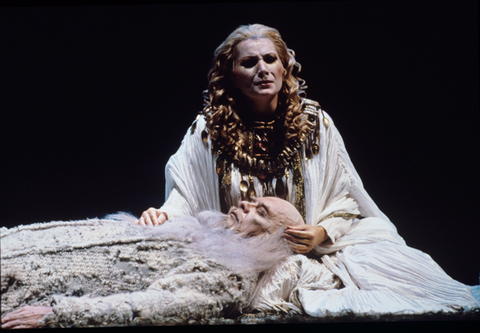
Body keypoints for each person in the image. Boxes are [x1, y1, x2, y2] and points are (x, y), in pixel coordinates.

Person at [136, 23, 480, 316]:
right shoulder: (207, 130)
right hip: (237, 251)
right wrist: (163, 215)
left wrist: (321, 232)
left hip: (311, 251)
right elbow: (186, 194)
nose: (263, 69)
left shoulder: (315, 123)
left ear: (285, 67)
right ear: (231, 75)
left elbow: (346, 196)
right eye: (249, 62)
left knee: (386, 260)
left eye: (271, 59)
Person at [1, 197, 304, 329]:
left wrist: (58, 314)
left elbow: (157, 305)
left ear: (273, 240)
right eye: (252, 200)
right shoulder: (198, 230)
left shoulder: (232, 272)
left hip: (19, 286)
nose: (243, 205)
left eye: (260, 212)